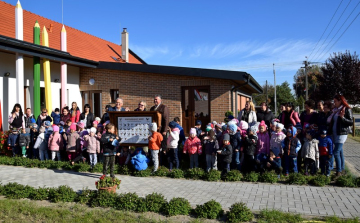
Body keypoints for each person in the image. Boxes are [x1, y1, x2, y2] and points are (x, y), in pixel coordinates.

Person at [327, 94, 353, 176]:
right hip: (335, 133)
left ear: (340, 101)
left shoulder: (347, 109)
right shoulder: (336, 110)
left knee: (336, 152)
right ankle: (342, 169)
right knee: (340, 152)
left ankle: (338, 172)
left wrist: (342, 117)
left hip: (342, 133)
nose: (334, 103)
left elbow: (351, 122)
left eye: (335, 101)